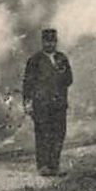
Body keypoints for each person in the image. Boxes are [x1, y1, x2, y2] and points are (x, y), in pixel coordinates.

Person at [22, 28, 73, 176]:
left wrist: (62, 73)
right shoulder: (34, 60)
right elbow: (27, 83)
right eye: (47, 42)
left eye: (52, 42)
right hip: (41, 105)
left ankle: (54, 166)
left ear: (56, 42)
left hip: (59, 104)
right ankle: (43, 166)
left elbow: (69, 80)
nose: (50, 45)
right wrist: (27, 103)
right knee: (43, 135)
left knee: (58, 135)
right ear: (42, 42)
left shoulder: (62, 58)